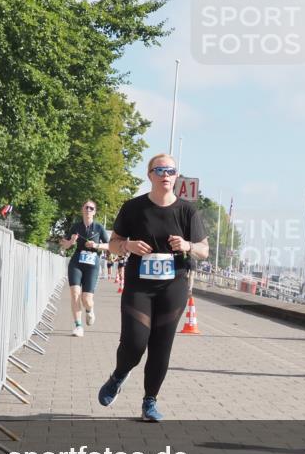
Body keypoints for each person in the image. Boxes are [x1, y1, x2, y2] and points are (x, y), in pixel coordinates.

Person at [98, 154, 208, 421]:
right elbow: (113, 244)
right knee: (134, 342)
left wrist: (187, 245)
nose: (166, 175)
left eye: (171, 170)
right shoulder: (133, 208)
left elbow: (204, 250)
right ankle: (119, 375)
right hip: (139, 285)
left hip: (173, 286)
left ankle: (150, 402)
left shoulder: (187, 211)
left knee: (161, 346)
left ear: (176, 176)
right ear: (150, 175)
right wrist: (128, 245)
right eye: (160, 170)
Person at [59, 200, 110, 337]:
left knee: (86, 299)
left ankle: (89, 310)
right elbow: (64, 245)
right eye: (86, 207)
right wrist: (71, 241)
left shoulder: (99, 227)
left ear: (94, 211)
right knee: (75, 293)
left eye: (91, 208)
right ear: (82, 209)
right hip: (76, 262)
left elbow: (109, 245)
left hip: (92, 264)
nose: (88, 209)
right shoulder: (76, 226)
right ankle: (78, 326)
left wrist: (96, 245)